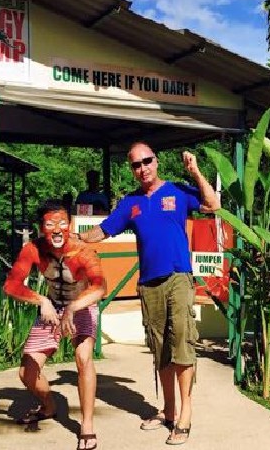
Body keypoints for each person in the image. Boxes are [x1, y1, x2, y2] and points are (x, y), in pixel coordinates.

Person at [78, 142, 220, 445]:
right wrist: (75, 240)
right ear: (131, 169)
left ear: (156, 162)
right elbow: (104, 230)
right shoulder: (130, 203)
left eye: (147, 161)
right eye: (136, 165)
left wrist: (195, 172)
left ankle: (185, 414)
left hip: (178, 278)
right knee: (160, 350)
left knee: (182, 344)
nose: (143, 168)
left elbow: (213, 205)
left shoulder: (178, 191)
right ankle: (167, 410)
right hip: (148, 284)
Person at [3, 199, 107, 450]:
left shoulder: (83, 251)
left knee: (83, 358)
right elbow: (11, 285)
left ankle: (87, 426)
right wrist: (41, 300)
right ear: (41, 227)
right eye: (50, 224)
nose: (57, 229)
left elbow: (100, 287)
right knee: (26, 372)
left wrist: (73, 307)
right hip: (51, 306)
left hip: (80, 305)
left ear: (69, 224)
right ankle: (49, 406)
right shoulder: (33, 249)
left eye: (62, 223)